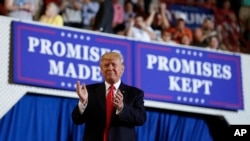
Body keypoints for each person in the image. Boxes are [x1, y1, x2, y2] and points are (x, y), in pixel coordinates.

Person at [72, 52, 147, 141]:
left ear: (122, 69)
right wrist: (83, 102)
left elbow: (141, 119)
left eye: (114, 65)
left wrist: (122, 108)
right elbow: (77, 120)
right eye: (106, 65)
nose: (110, 68)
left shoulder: (135, 93)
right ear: (101, 69)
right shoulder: (89, 91)